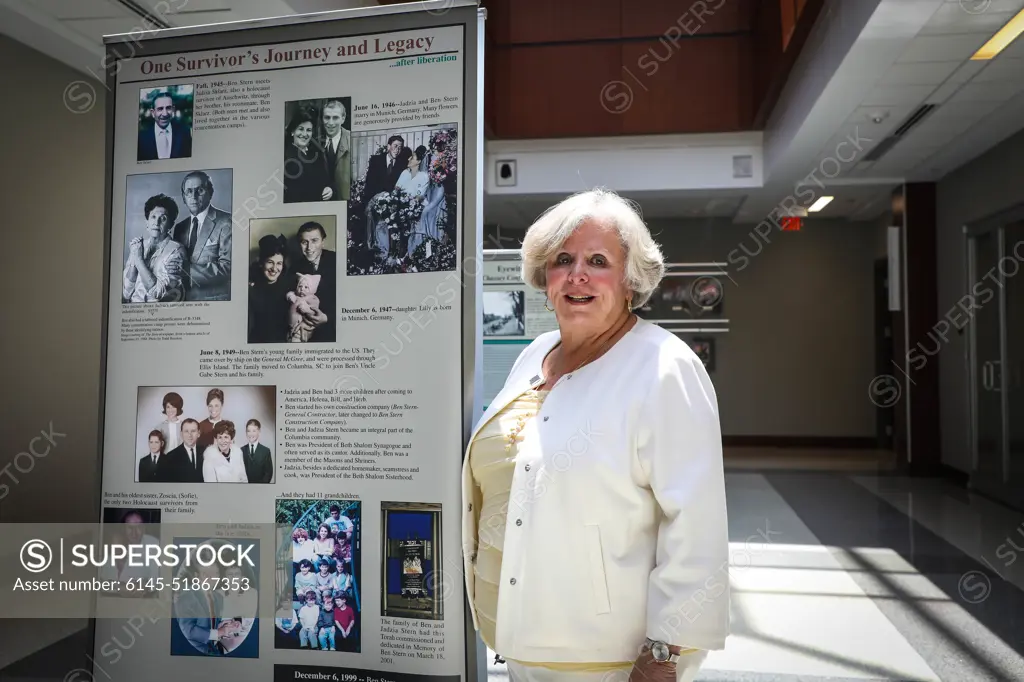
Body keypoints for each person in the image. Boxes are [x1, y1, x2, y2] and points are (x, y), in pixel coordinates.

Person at [461, 188, 729, 682]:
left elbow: (696, 523)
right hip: (519, 649)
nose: (577, 274)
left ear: (630, 282)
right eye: (563, 259)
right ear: (545, 279)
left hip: (605, 662)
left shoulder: (664, 367)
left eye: (598, 260)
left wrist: (665, 654)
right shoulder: (535, 354)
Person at [172, 171, 231, 301]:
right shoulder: (179, 228)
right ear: (183, 197)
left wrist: (187, 269)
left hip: (214, 302)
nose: (193, 196)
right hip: (183, 302)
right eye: (189, 191)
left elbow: (228, 268)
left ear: (210, 193)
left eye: (200, 190)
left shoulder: (227, 222)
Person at [122, 193, 187, 303]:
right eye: (153, 217)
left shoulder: (176, 250)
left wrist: (139, 259)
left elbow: (158, 293)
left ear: (171, 224)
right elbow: (126, 292)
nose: (156, 223)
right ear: (147, 222)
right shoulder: (138, 246)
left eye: (163, 218)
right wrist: (134, 259)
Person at [290, 221, 335, 343]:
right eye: (304, 242)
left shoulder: (337, 261)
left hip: (333, 327)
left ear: (323, 242)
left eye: (314, 240)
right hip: (304, 327)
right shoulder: (294, 267)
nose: (309, 248)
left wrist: (327, 317)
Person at [283, 108, 333, 204]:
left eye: (309, 130)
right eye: (301, 129)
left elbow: (328, 179)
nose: (305, 134)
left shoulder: (316, 153)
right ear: (292, 131)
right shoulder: (286, 156)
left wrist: (330, 189)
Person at [248, 234, 291, 343]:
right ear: (262, 263)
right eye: (270, 262)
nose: (274, 269)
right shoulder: (250, 287)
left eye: (279, 263)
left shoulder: (289, 287)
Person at [137, 91, 192, 161]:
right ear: (153, 113)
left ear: (173, 110)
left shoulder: (184, 133)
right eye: (160, 109)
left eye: (168, 108)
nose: (165, 113)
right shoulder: (142, 138)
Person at [320, 99, 351, 201]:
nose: (331, 123)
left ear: (343, 119)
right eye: (327, 118)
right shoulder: (315, 143)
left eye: (335, 118)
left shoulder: (353, 140)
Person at [157, 418, 203, 483]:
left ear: (198, 433)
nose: (190, 435)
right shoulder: (170, 457)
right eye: (186, 431)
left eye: (193, 431)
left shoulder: (206, 453)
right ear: (181, 434)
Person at [241, 419, 273, 483]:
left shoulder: (265, 451)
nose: (251, 434)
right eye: (248, 431)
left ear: (259, 431)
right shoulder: (241, 450)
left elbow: (268, 473)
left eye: (254, 431)